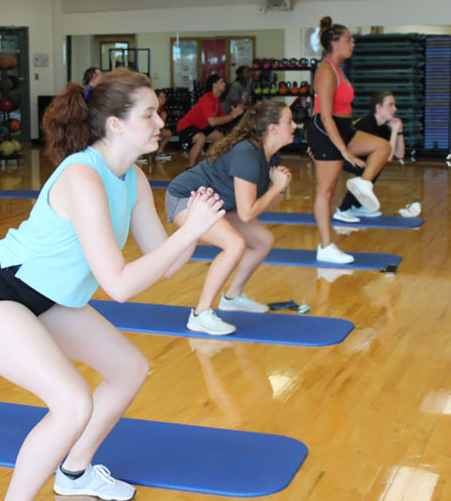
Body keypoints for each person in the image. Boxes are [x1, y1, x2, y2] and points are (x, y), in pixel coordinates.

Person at [0, 68, 225, 501]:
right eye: (150, 114)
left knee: (128, 369)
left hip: (47, 296)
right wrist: (190, 234)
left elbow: (168, 265)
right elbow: (117, 285)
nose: (161, 123)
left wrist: (192, 222)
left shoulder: (131, 178)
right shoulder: (83, 177)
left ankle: (75, 473)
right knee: (72, 404)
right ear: (116, 125)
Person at [166, 100, 295, 335]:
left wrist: (280, 187)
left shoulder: (270, 155)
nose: (295, 125)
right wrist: (276, 187)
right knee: (234, 244)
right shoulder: (247, 152)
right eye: (289, 121)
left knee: (262, 240)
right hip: (186, 199)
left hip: (218, 205)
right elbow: (247, 212)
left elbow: (268, 203)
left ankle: (232, 297)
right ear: (273, 129)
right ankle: (200, 314)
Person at [307, 17, 390, 264]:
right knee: (326, 191)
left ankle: (363, 184)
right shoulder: (325, 71)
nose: (352, 43)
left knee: (382, 146)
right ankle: (325, 246)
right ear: (334, 43)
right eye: (348, 39)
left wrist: (346, 143)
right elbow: (325, 116)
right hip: (325, 129)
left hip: (342, 127)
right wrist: (344, 151)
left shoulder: (338, 68)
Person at [334, 91, 405, 222]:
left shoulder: (382, 128)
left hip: (353, 156)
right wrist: (394, 131)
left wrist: (399, 132)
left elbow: (399, 154)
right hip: (337, 155)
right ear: (378, 107)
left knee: (375, 165)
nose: (395, 108)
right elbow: (388, 156)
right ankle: (343, 209)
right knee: (371, 166)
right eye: (390, 105)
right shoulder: (366, 125)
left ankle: (356, 205)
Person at [177, 74, 244, 169]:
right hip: (185, 126)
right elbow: (212, 122)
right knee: (201, 138)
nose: (225, 84)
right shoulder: (207, 98)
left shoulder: (216, 101)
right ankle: (190, 167)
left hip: (200, 127)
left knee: (219, 136)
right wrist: (232, 116)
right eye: (222, 82)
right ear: (214, 85)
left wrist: (234, 114)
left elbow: (222, 118)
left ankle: (207, 162)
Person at [155, 90, 172, 160]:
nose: (164, 99)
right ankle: (139, 155)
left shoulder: (161, 109)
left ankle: (159, 152)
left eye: (164, 97)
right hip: (146, 130)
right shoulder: (152, 108)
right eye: (161, 97)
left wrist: (163, 119)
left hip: (155, 129)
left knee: (168, 133)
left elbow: (161, 126)